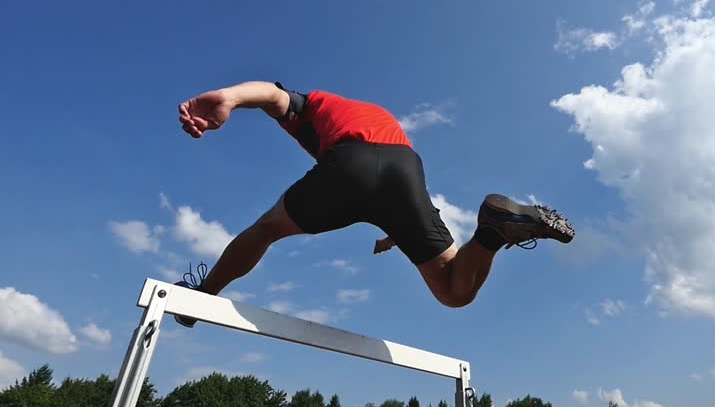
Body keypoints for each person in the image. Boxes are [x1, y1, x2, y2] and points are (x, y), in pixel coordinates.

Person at [174, 81, 574, 326]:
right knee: (455, 291)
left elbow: (272, 95)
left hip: (350, 163)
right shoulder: (377, 117)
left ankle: (203, 294)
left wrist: (229, 96)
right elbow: (382, 185)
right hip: (405, 167)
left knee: (266, 229)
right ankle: (491, 231)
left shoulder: (313, 105)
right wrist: (395, 235)